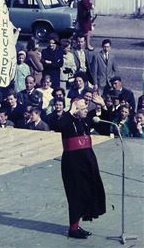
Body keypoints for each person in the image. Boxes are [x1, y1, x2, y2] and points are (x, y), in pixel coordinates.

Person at [56, 95, 106, 239]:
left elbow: (105, 125)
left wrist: (102, 106)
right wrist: (70, 111)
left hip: (87, 160)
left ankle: (76, 226)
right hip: (73, 163)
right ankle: (73, 229)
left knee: (88, 192)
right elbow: (60, 125)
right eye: (83, 108)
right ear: (75, 109)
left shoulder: (85, 121)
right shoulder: (67, 120)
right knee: (76, 194)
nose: (86, 110)